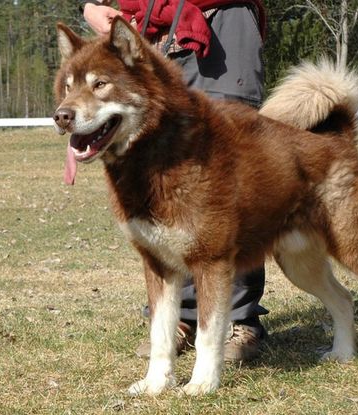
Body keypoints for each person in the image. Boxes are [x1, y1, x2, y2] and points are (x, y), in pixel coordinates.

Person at [80, 0, 268, 362]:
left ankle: (237, 319)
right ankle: (178, 319)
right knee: (159, 166)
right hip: (147, 24)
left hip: (222, 18)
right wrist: (92, 5)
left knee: (226, 169)